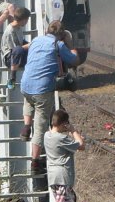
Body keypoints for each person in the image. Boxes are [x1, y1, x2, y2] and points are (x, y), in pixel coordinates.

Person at [20, 21, 80, 175]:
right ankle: (35, 162)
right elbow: (74, 60)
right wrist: (70, 44)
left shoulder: (36, 40)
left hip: (25, 83)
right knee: (40, 126)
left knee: (28, 98)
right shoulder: (57, 45)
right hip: (42, 89)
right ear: (60, 34)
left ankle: (26, 127)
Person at [44, 107, 85, 202]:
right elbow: (81, 145)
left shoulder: (47, 135)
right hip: (63, 177)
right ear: (63, 124)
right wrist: (73, 130)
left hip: (53, 176)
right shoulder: (61, 138)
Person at [1, 5, 31, 90]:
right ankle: (12, 78)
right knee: (18, 50)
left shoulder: (19, 28)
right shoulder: (11, 31)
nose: (27, 21)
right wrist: (29, 45)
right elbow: (16, 49)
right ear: (24, 19)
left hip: (18, 54)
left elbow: (22, 42)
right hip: (9, 58)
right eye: (27, 19)